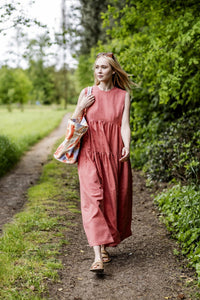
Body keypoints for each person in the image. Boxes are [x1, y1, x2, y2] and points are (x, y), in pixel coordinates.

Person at [71, 52, 133, 273]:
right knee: (93, 200)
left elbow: (124, 125)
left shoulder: (123, 95)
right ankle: (97, 256)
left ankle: (104, 246)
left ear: (113, 70)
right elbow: (75, 121)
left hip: (113, 153)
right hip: (89, 154)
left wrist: (127, 144)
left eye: (104, 67)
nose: (99, 71)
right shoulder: (87, 93)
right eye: (96, 67)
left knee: (110, 199)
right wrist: (80, 107)